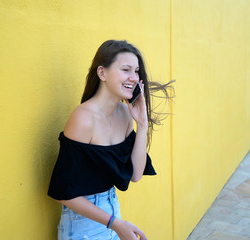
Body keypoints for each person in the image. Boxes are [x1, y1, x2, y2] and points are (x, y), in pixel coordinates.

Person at [48, 40, 173, 240]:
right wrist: (115, 224)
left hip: (113, 213)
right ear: (102, 73)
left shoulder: (125, 113)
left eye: (136, 71)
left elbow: (135, 174)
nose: (133, 78)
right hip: (83, 224)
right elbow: (63, 192)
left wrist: (142, 125)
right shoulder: (83, 119)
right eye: (126, 70)